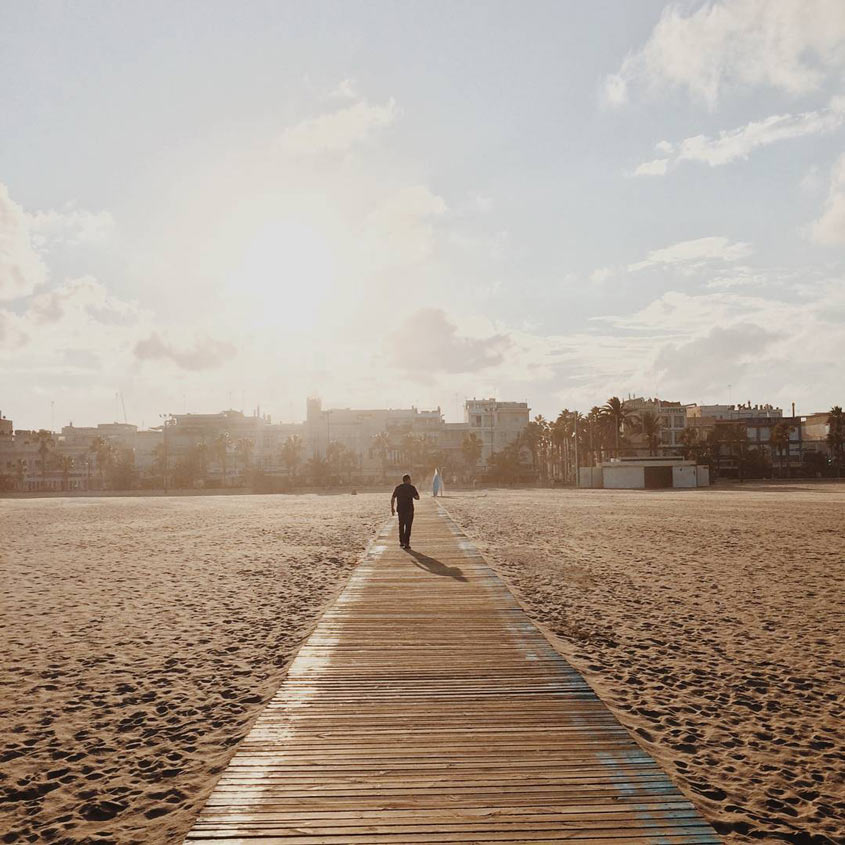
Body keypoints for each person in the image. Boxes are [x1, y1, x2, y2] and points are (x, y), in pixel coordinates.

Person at [391, 473, 420, 549]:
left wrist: (392, 508)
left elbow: (393, 498)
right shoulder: (412, 488)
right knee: (408, 526)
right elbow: (417, 498)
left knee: (401, 525)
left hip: (400, 509)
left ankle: (401, 542)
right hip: (409, 510)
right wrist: (413, 495)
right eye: (410, 479)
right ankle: (406, 543)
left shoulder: (398, 488)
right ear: (408, 480)